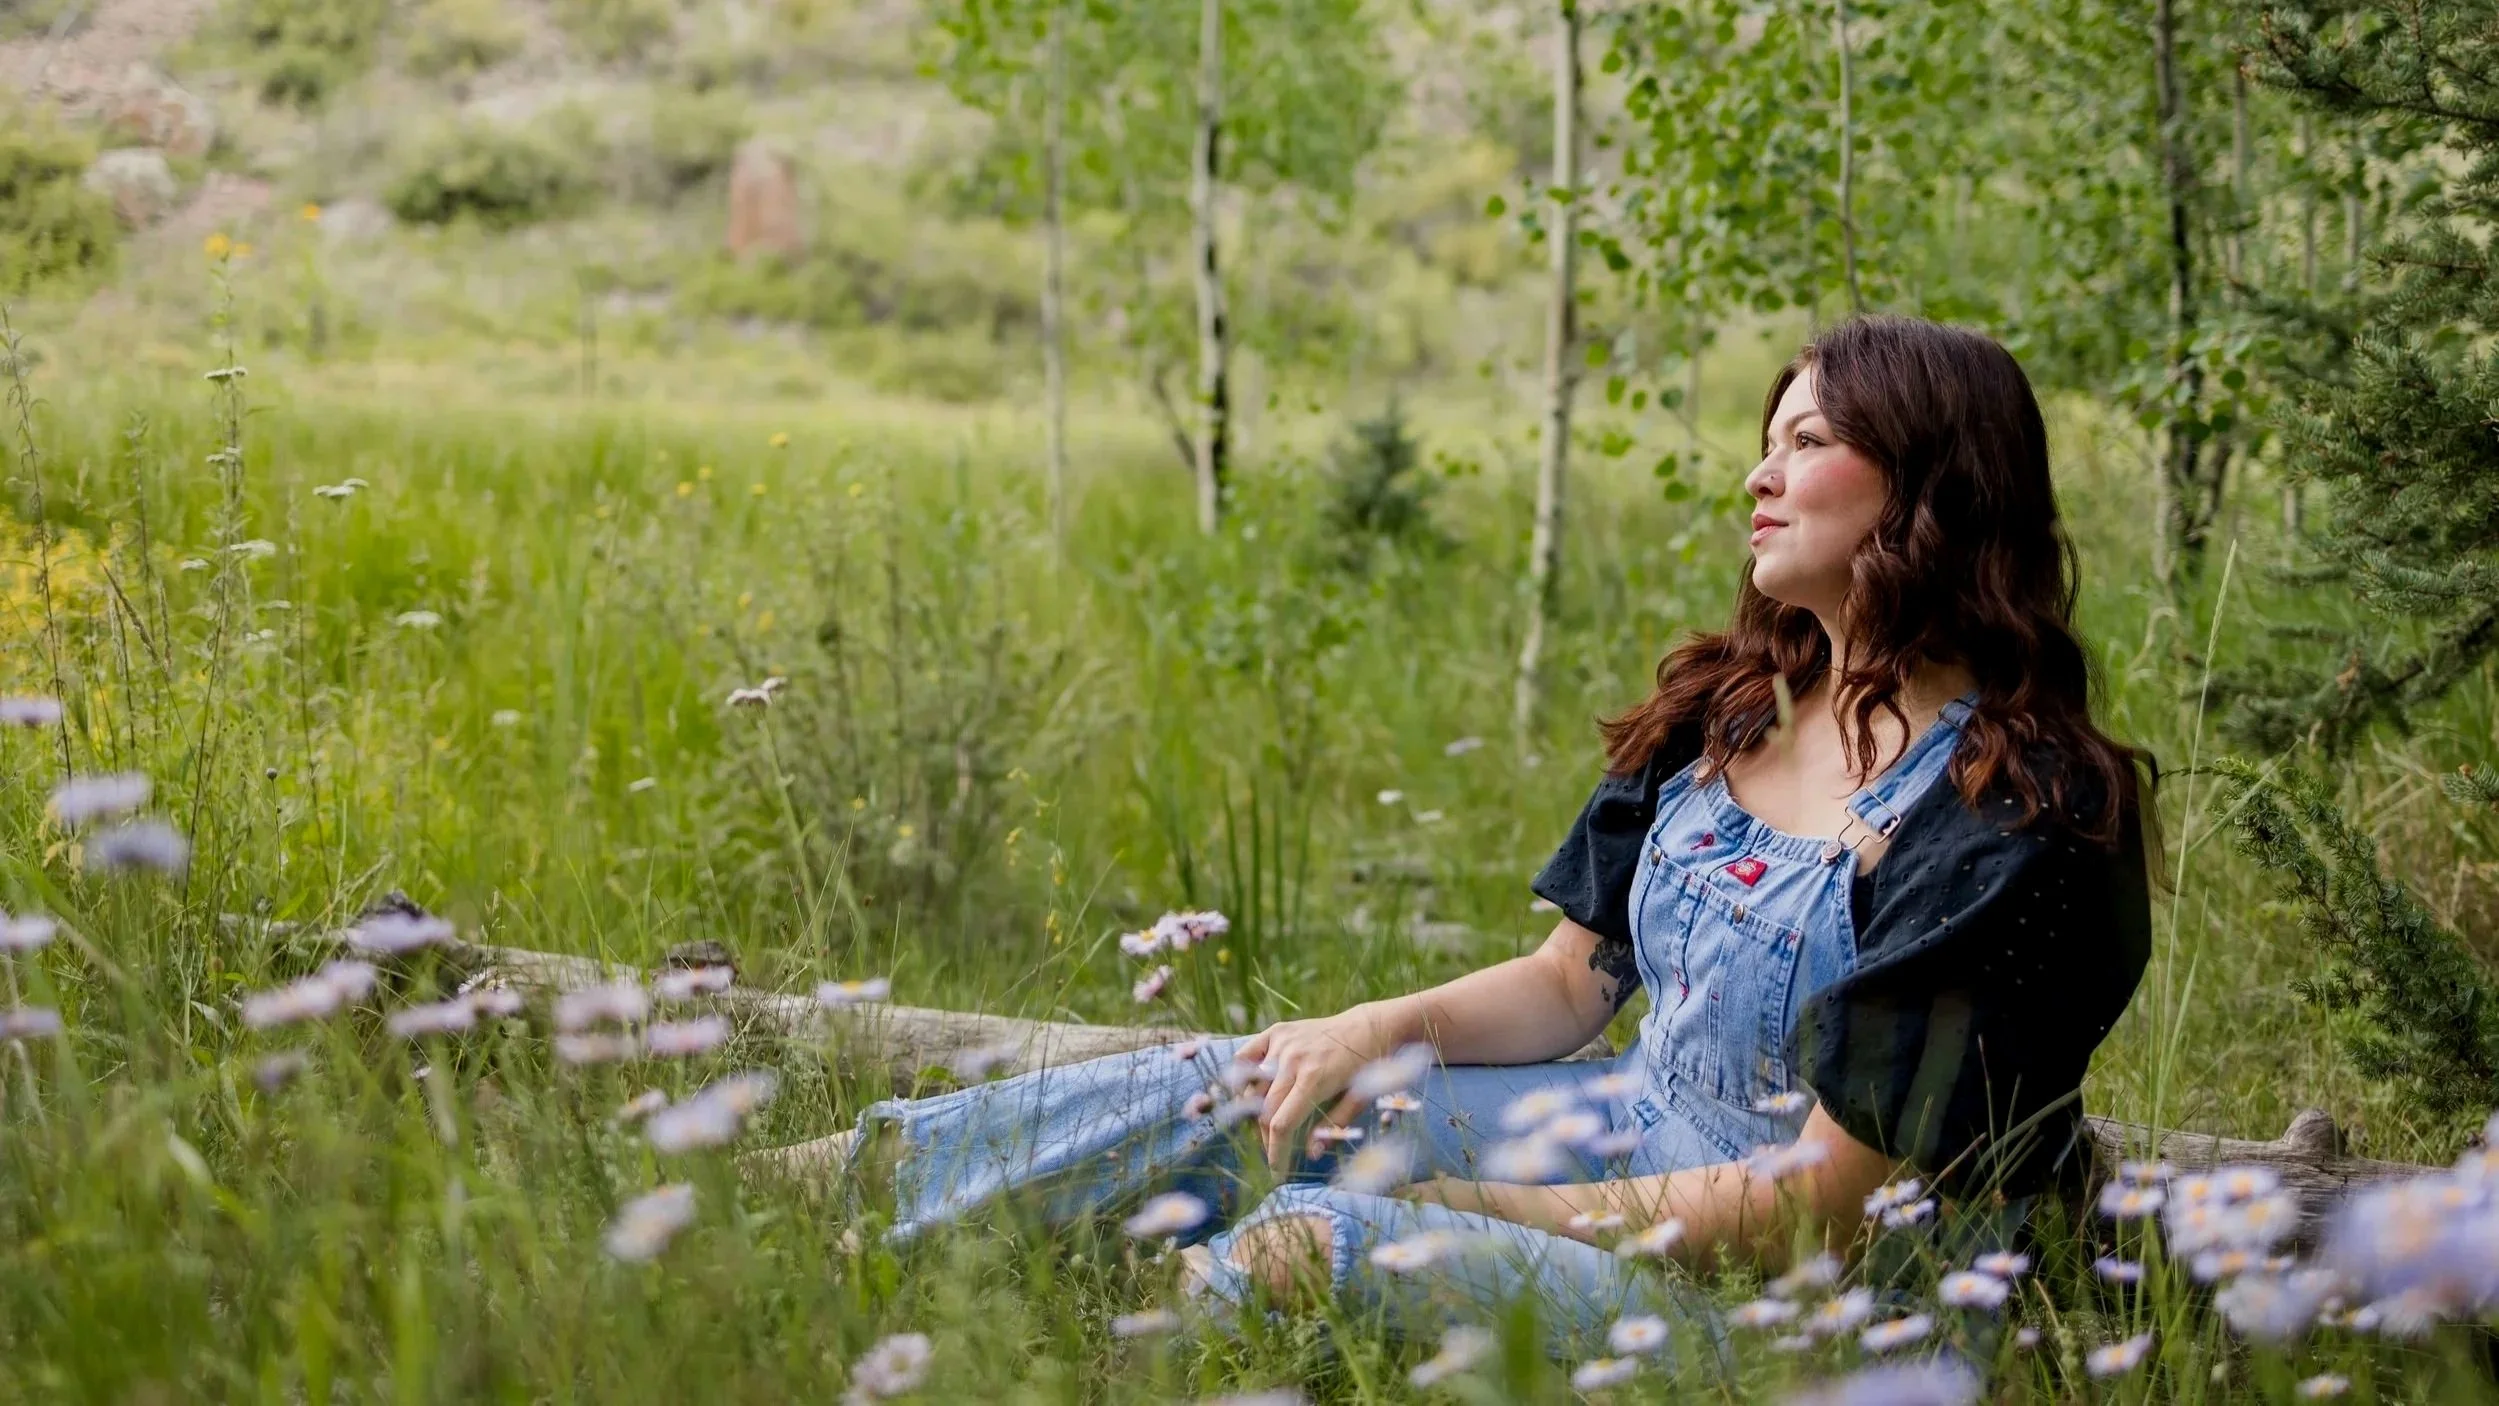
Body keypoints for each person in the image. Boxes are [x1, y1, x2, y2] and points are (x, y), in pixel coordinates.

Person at [805, 314, 2160, 1364]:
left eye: (1807, 441)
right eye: (1769, 435)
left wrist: (1464, 1205)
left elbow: (1816, 1207)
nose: (1760, 471)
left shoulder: (2012, 815)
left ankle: (1082, 1351)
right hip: (1623, 1125)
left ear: (1932, 480)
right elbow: (1568, 985)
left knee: (1316, 1245)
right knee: (1261, 1082)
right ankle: (812, 1201)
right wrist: (1362, 1030)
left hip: (1821, 1308)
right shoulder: (1736, 711)